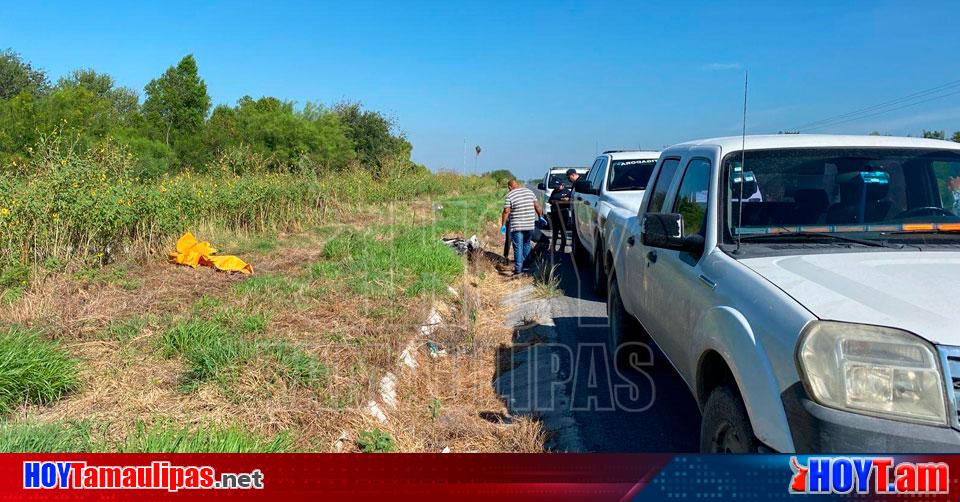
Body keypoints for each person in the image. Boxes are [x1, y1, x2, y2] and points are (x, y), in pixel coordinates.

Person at [501, 179, 542, 276]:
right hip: (529, 225)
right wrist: (540, 217)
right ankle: (527, 266)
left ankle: (518, 269)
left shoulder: (510, 195)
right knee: (526, 244)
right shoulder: (529, 192)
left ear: (510, 187)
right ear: (518, 185)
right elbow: (537, 206)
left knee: (518, 246)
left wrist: (503, 224)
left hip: (517, 226)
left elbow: (506, 211)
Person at [548, 179, 573, 253]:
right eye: (555, 186)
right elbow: (550, 200)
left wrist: (560, 201)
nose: (556, 188)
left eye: (558, 186)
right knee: (555, 231)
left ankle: (562, 248)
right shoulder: (554, 191)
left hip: (563, 213)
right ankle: (552, 248)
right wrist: (559, 200)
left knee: (563, 231)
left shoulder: (567, 192)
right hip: (555, 213)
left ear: (562, 185)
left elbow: (570, 201)